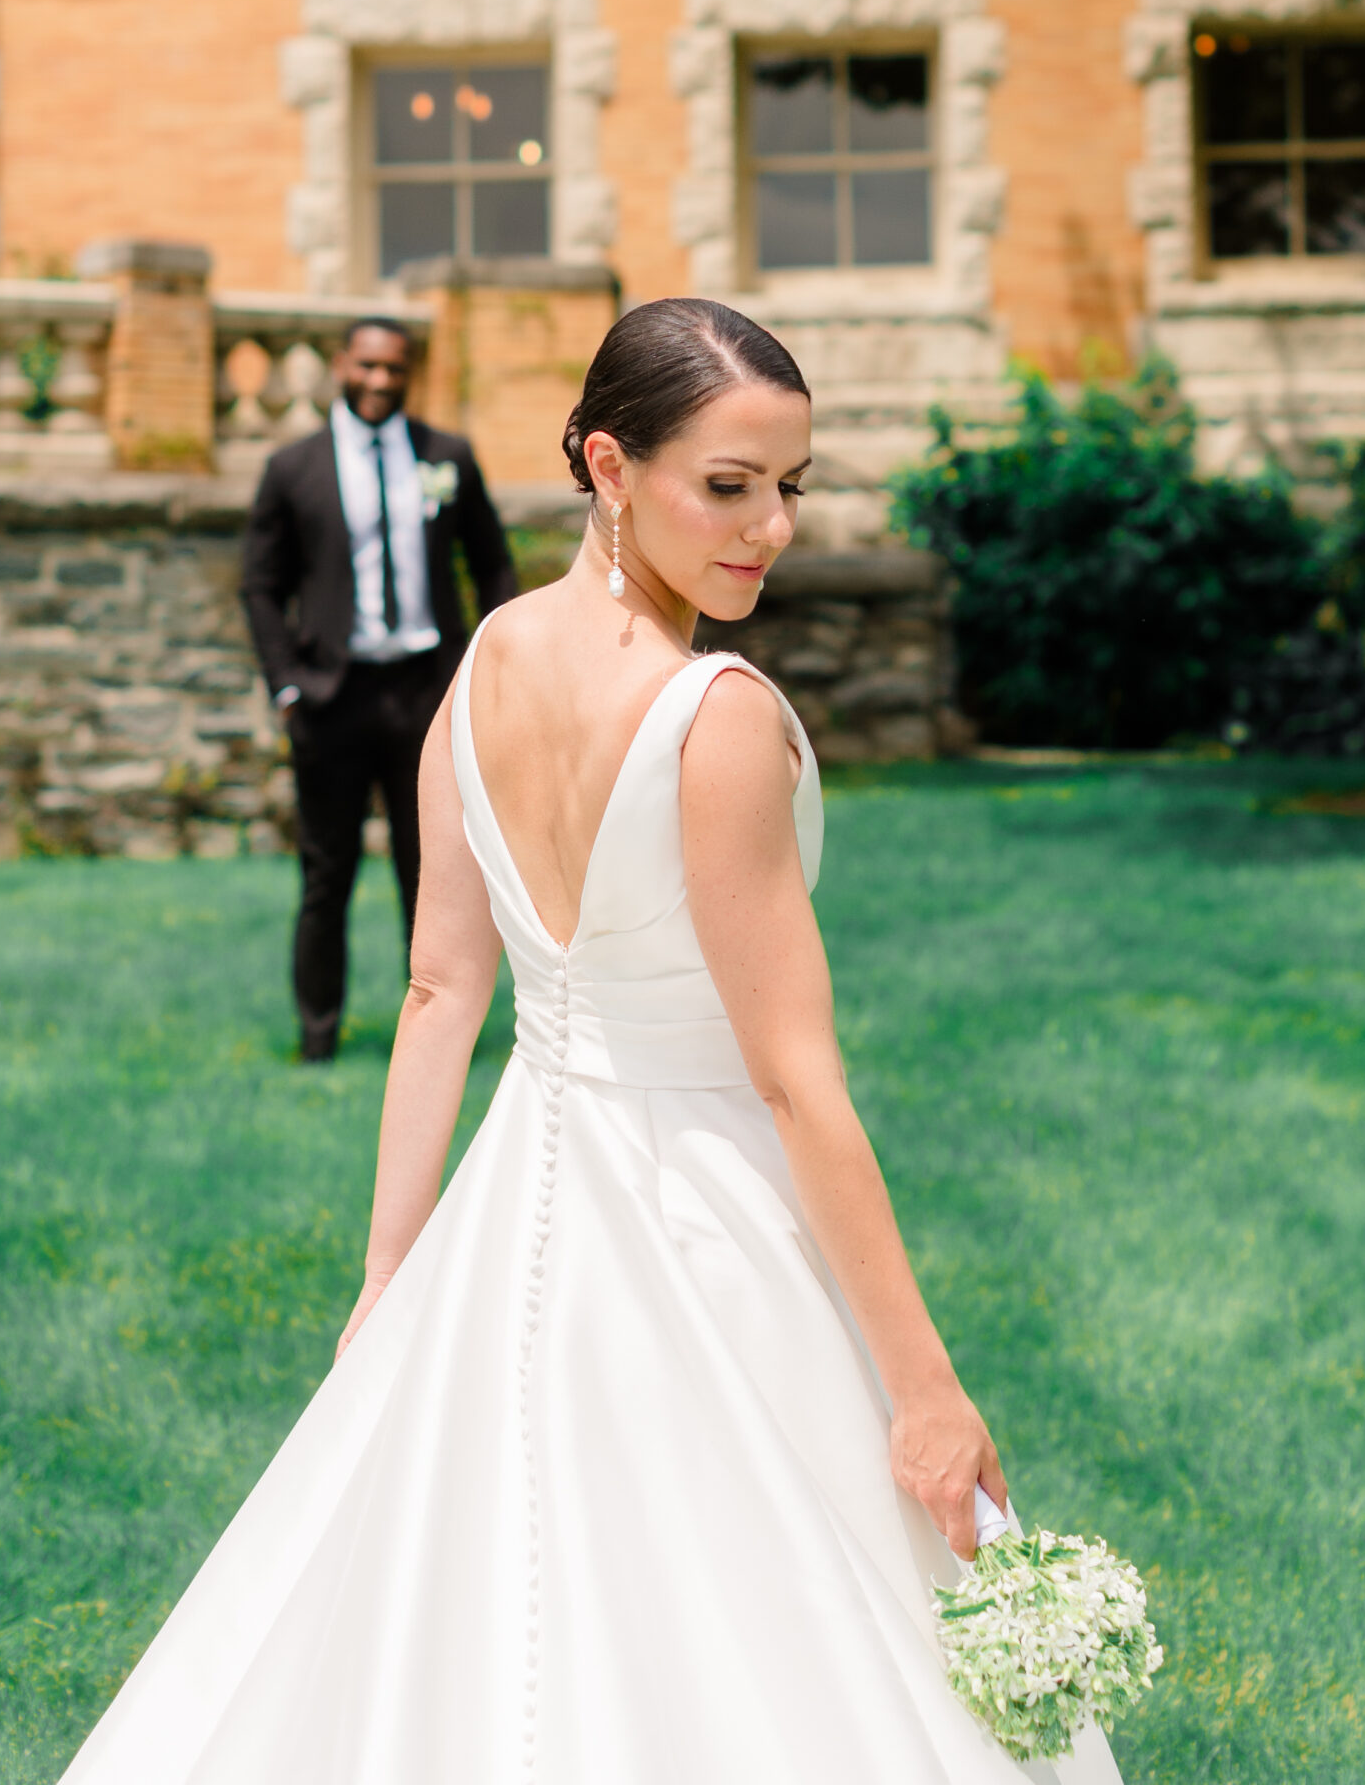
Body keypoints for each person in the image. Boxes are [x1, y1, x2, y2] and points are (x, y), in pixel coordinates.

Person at [64, 297, 1122, 1785]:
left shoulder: (481, 664)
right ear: (611, 467)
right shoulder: (719, 716)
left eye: (791, 488)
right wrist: (926, 1388)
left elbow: (443, 992)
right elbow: (792, 1077)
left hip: (509, 1207)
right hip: (702, 1208)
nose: (772, 532)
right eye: (730, 488)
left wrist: (393, 1273)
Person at [240, 314, 517, 1061]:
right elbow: (260, 587)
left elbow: (492, 565)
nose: (379, 381)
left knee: (429, 874)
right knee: (325, 874)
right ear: (340, 364)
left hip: (427, 697)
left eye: (394, 369)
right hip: (331, 698)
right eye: (366, 366)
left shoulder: (446, 456)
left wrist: (484, 672)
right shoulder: (293, 468)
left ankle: (433, 1035)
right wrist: (287, 688)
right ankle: (317, 1037)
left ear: (409, 373)